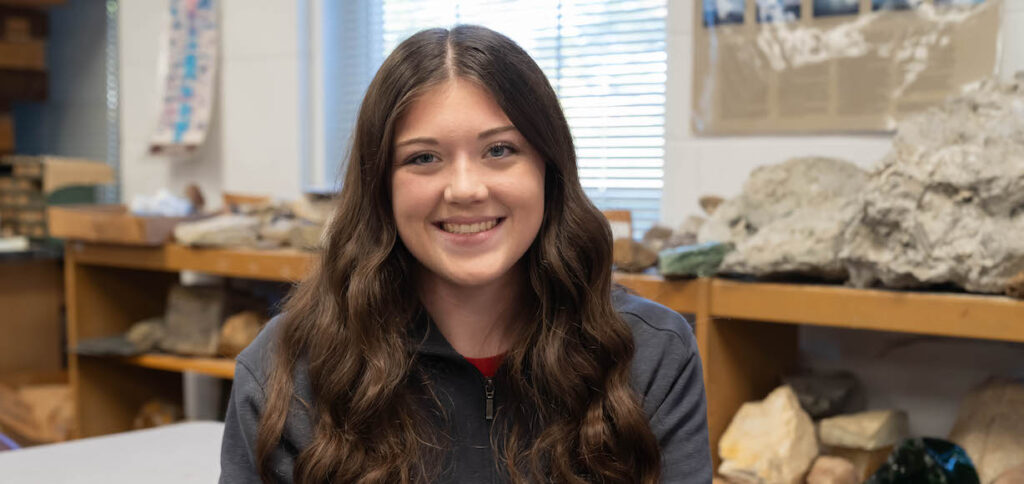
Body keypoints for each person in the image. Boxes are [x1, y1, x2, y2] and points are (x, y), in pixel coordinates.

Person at [219, 25, 711, 483]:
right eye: (423, 158)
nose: (465, 189)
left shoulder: (651, 354)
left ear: (548, 166)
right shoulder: (286, 368)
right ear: (380, 187)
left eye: (499, 150)